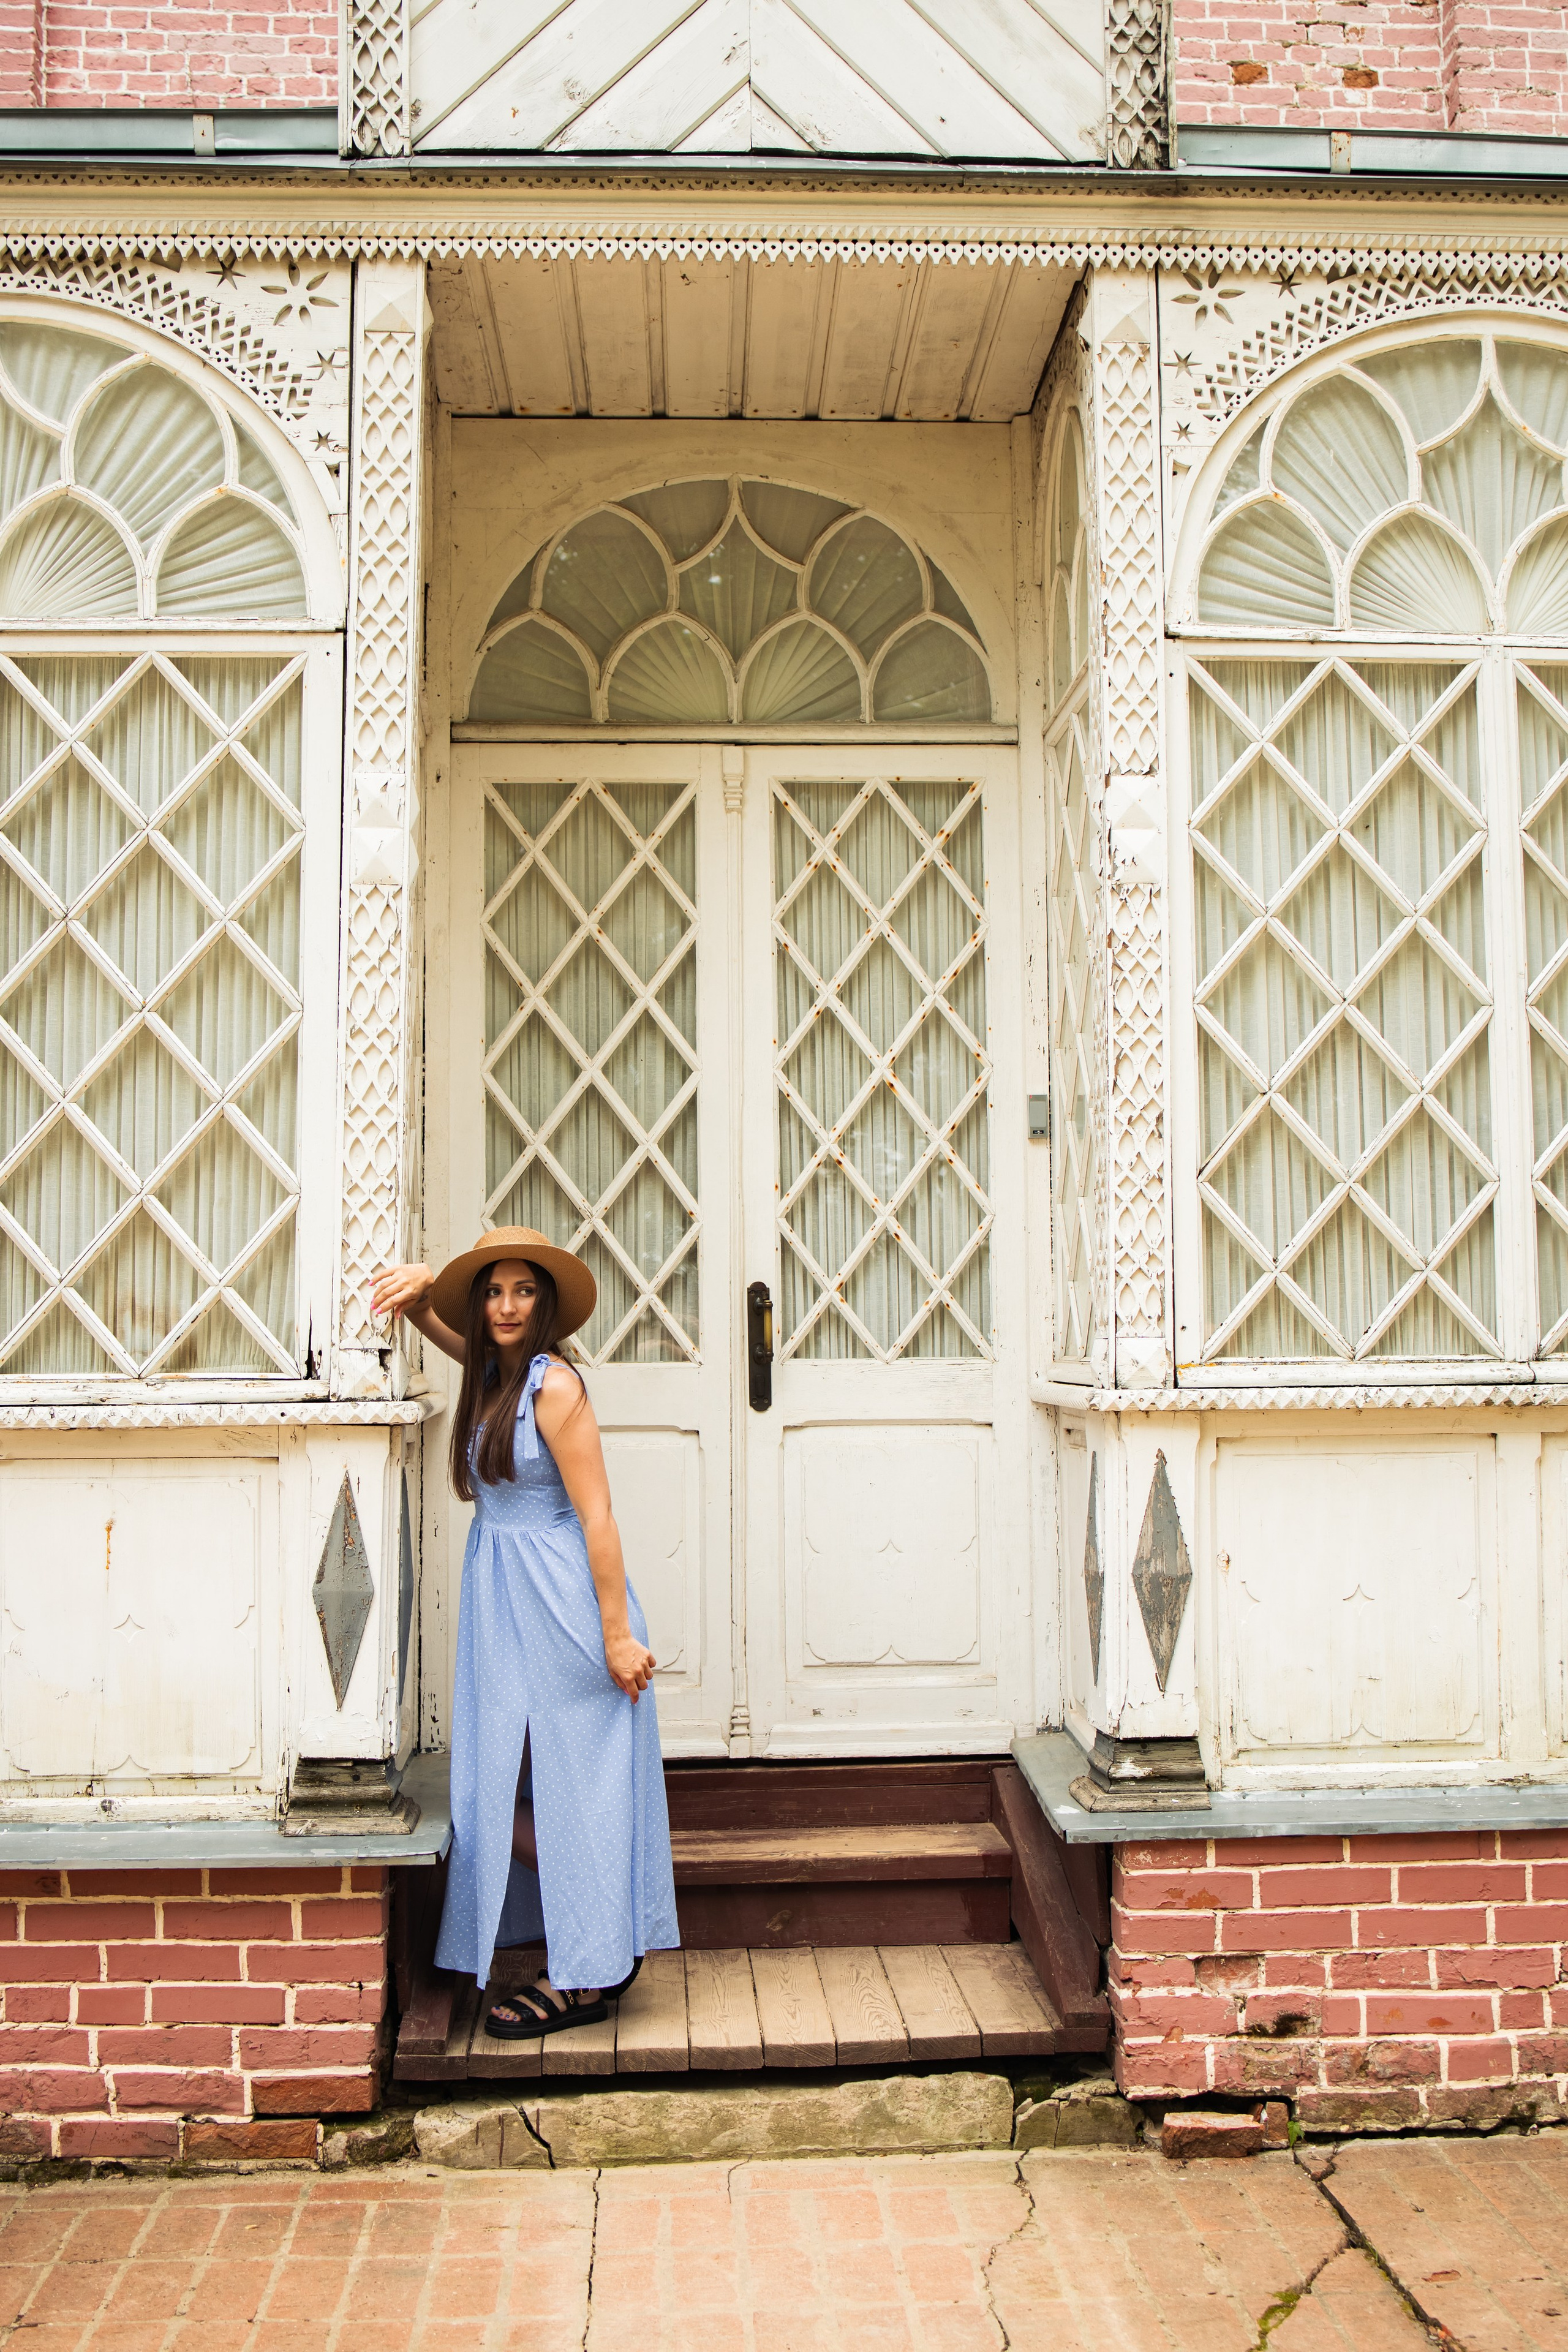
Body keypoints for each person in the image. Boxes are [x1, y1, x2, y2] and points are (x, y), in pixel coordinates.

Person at [372, 1227, 679, 2038]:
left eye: (525, 1291)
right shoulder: (496, 1375)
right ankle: (601, 1933)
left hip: (564, 1605)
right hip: (506, 1603)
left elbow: (599, 1514)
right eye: (495, 1291)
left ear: (546, 1305)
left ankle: (587, 1970)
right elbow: (459, 1340)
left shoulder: (555, 1387)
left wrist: (617, 1635)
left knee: (573, 1790)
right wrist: (421, 1296)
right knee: (498, 1787)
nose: (508, 1306)